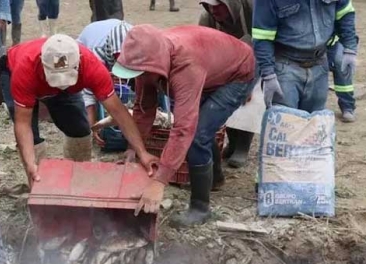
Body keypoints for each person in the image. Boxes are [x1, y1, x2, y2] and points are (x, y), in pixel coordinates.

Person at [112, 25, 255, 225]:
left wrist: (159, 182)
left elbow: (183, 129)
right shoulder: (147, 61)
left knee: (196, 133)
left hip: (238, 72)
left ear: (154, 64)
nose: (140, 79)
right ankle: (215, 179)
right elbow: (144, 109)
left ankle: (200, 208)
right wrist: (133, 149)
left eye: (142, 73)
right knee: (202, 129)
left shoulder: (185, 66)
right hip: (213, 67)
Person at [0, 34, 155, 185]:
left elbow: (119, 113)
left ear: (78, 64)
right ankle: (37, 181)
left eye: (65, 79)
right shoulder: (25, 68)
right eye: (56, 80)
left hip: (62, 83)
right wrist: (30, 163)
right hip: (14, 72)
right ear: (43, 64)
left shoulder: (91, 66)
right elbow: (23, 124)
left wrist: (141, 152)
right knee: (32, 136)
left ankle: (78, 178)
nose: (60, 84)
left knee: (79, 129)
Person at [253, 0, 357, 112]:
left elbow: (345, 13)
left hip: (319, 66)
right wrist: (268, 75)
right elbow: (262, 37)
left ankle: (347, 105)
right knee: (288, 124)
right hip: (285, 69)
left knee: (313, 124)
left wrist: (350, 48)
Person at [198, 0, 254, 168]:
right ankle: (233, 142)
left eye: (218, 5)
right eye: (210, 6)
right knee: (222, 100)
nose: (213, 10)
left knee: (250, 100)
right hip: (225, 63)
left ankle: (243, 146)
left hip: (254, 59)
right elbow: (203, 48)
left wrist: (249, 82)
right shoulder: (207, 18)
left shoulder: (251, 10)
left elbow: (265, 41)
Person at [77, 19, 133, 127]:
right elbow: (87, 94)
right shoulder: (92, 55)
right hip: (91, 42)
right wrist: (92, 126)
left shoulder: (137, 42)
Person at [327, 35, 358, 123]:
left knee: (341, 63)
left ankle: (347, 106)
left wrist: (350, 47)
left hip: (336, 39)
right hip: (309, 41)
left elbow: (347, 24)